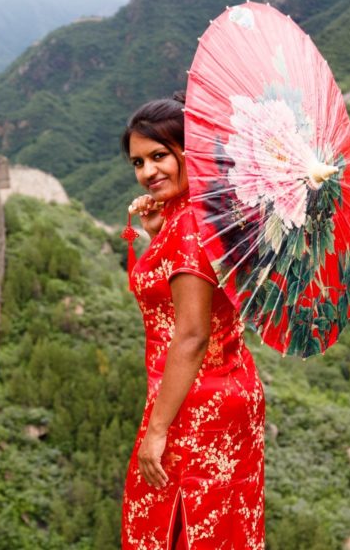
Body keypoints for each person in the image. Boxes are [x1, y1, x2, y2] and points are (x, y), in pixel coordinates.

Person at [119, 92, 266, 549]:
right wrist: (156, 235)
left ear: (191, 151)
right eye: (138, 163)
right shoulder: (204, 212)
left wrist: (156, 430)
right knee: (219, 519)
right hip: (229, 387)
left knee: (178, 520)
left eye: (159, 155)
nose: (147, 173)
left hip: (194, 401)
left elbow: (191, 335)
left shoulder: (189, 226)